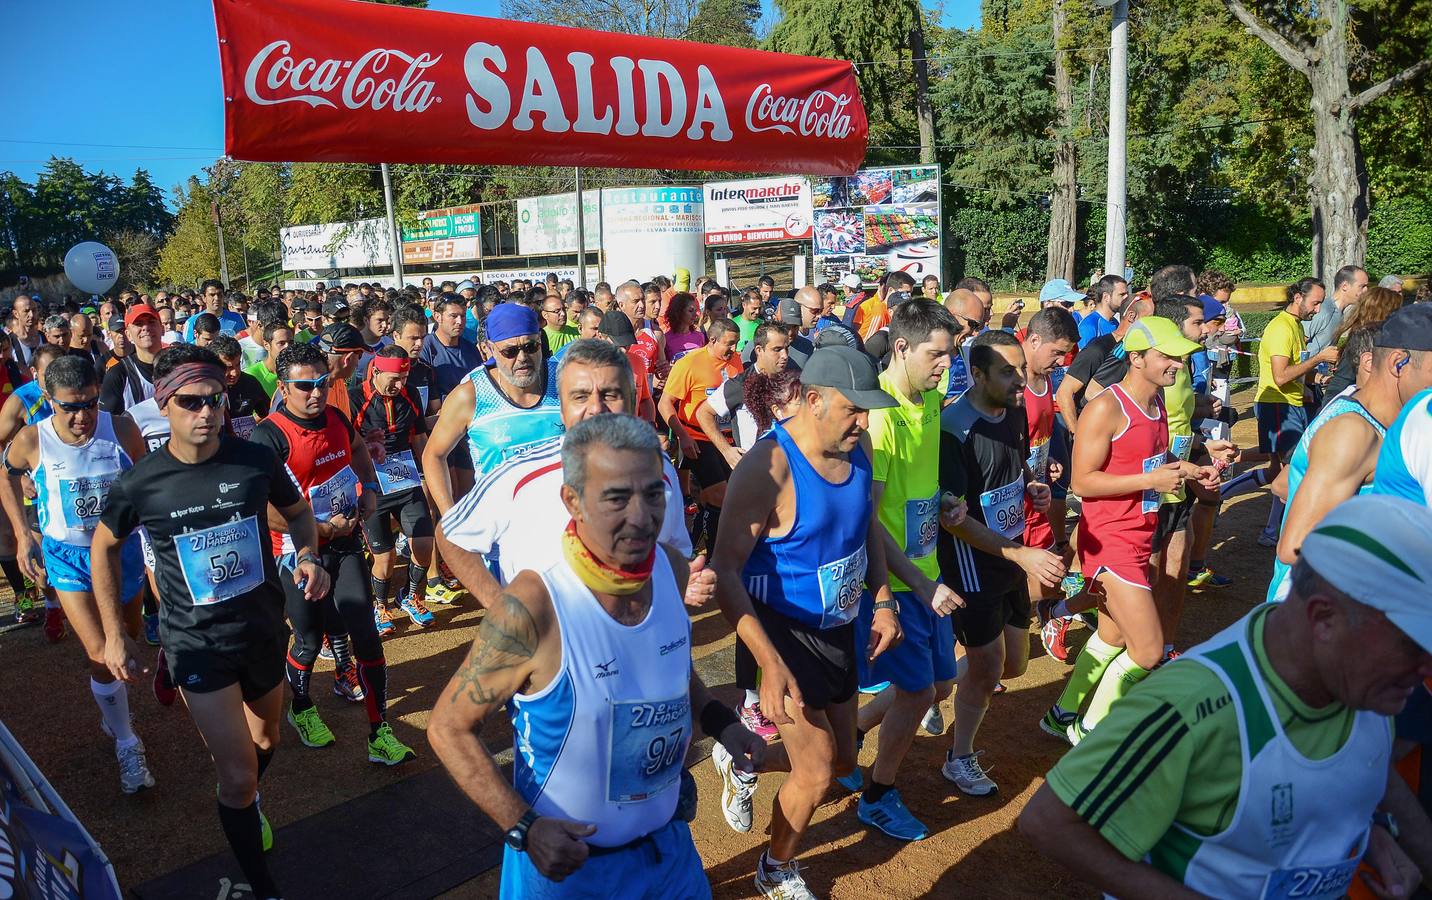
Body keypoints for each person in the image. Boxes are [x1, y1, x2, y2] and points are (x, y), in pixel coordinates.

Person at [1021, 494, 1432, 900]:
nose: (1426, 670)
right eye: (1414, 646)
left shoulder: (1368, 683)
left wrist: (1368, 831)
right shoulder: (1195, 706)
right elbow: (1050, 822)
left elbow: (1359, 761)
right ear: (1324, 618)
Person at [428, 413, 765, 900]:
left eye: (653, 493)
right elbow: (448, 727)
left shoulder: (670, 570)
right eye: (616, 498)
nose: (641, 516)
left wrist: (721, 722)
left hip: (669, 857)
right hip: (571, 877)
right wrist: (523, 828)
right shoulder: (534, 605)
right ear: (573, 500)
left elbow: (670, 672)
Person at [94, 346, 330, 900]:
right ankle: (263, 883)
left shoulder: (254, 460)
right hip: (196, 642)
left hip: (261, 628)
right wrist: (111, 631)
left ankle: (244, 802)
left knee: (267, 741)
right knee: (239, 774)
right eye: (191, 402)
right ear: (165, 405)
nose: (206, 412)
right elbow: (105, 546)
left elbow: (298, 514)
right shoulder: (142, 483)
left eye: (215, 401)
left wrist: (309, 556)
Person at [709, 347, 904, 897]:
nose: (864, 422)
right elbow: (725, 571)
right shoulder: (766, 467)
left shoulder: (857, 445)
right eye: (853, 410)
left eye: (867, 411)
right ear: (813, 400)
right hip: (780, 636)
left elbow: (866, 525)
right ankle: (775, 867)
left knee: (843, 761)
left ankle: (743, 760)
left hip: (839, 628)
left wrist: (884, 598)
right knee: (817, 773)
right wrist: (767, 664)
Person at [1044, 317, 1218, 744]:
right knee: (1147, 650)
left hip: (1141, 534)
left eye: (1179, 356)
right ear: (1136, 357)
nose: (1177, 363)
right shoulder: (1107, 407)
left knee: (1111, 635)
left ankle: (1060, 714)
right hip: (1110, 541)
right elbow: (1081, 482)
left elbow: (1146, 466)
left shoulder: (1156, 404)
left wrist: (1191, 468)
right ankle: (1090, 732)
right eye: (1167, 355)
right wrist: (1150, 482)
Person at [439, 339, 694, 618]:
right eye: (581, 396)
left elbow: (675, 552)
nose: (596, 408)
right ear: (562, 408)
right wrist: (505, 612)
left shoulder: (660, 468)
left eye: (610, 394)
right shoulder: (518, 475)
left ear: (632, 400)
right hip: (554, 651)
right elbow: (451, 536)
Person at [248, 342, 416, 766]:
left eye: (321, 382)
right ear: (284, 388)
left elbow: (357, 448)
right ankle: (302, 707)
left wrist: (370, 489)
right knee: (306, 639)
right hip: (294, 553)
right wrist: (318, 528)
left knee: (365, 630)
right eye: (304, 386)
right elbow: (261, 509)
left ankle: (380, 732)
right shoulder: (267, 435)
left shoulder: (337, 417)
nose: (316, 393)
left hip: (343, 544)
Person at [0, 354, 153, 790]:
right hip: (68, 557)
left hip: (122, 554)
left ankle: (115, 715)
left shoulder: (120, 428)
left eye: (89, 403)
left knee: (130, 635)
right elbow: (5, 475)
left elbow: (145, 479)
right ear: (48, 400)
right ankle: (127, 742)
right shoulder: (33, 439)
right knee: (102, 653)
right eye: (69, 406)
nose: (82, 415)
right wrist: (23, 534)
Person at [846, 299, 965, 841]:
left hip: (927, 569)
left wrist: (944, 502)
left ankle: (850, 736)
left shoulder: (932, 397)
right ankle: (878, 794)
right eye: (937, 355)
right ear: (900, 348)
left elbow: (915, 487)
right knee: (919, 692)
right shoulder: (879, 417)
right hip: (899, 581)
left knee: (940, 684)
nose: (946, 365)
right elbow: (868, 519)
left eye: (951, 353)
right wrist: (914, 585)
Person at [937, 330, 1065, 796]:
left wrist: (1031, 484)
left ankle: (929, 688)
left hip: (1011, 550)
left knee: (1014, 666)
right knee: (989, 668)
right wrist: (1024, 554)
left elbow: (1015, 467)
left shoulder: (1012, 410)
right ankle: (959, 757)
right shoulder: (954, 429)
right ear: (977, 373)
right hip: (974, 562)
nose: (1019, 379)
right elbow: (954, 521)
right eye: (1007, 371)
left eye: (1019, 368)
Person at [1264, 305, 1432, 605]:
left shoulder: (1396, 425)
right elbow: (1297, 546)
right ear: (1398, 363)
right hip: (1313, 621)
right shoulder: (1354, 432)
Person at [1223, 277, 1338, 545]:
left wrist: (1313, 383)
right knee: (1293, 468)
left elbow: (1294, 372)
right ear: (1298, 297)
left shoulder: (1296, 326)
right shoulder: (1281, 328)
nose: (1318, 310)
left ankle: (1223, 499)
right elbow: (1280, 376)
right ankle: (1275, 531)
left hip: (1290, 403)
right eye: (1315, 303)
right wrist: (1318, 359)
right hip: (1277, 404)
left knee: (1279, 469)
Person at [349, 344, 436, 634]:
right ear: (375, 371)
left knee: (423, 544)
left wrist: (428, 476)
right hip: (372, 486)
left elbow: (420, 438)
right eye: (393, 379)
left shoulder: (410, 395)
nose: (399, 385)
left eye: (404, 377)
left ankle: (412, 596)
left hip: (406, 480)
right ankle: (380, 605)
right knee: (384, 559)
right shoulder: (355, 399)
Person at [657, 318, 743, 552]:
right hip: (697, 440)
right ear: (713, 340)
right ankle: (714, 555)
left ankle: (695, 546)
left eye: (736, 344)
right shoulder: (689, 364)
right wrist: (682, 437)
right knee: (720, 496)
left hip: (727, 439)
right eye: (729, 344)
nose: (734, 350)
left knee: (718, 498)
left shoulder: (736, 361)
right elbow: (665, 404)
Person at [98, 304, 163, 415]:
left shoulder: (179, 367)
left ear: (162, 329)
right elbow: (106, 422)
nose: (146, 328)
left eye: (151, 322)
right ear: (128, 334)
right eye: (138, 324)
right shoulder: (118, 374)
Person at [209, 334, 270, 440]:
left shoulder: (250, 383)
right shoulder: (205, 389)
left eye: (238, 365)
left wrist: (248, 428)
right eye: (228, 367)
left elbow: (267, 414)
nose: (235, 372)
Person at [1306, 264, 1368, 355]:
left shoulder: (1339, 312)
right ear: (1345, 286)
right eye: (1362, 286)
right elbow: (1297, 340)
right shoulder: (1323, 310)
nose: (1366, 290)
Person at [1076, 275, 1129, 349]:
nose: (1126, 298)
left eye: (1127, 294)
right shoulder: (1089, 326)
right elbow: (1084, 359)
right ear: (1106, 297)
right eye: (1122, 294)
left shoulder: (1115, 322)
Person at [243, 320, 293, 399]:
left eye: (291, 342)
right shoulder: (251, 375)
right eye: (281, 343)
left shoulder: (297, 372)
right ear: (266, 345)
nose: (288, 347)